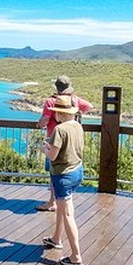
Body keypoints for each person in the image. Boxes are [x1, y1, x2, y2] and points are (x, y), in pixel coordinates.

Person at [40, 95, 86, 265]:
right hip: (77, 171)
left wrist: (44, 148)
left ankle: (76, 257)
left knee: (68, 215)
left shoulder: (60, 129)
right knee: (62, 207)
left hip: (63, 176)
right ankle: (56, 239)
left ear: (60, 112)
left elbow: (53, 155)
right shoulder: (78, 126)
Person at [35, 75, 93, 212]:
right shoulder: (75, 99)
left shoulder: (50, 101)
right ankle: (63, 201)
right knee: (70, 168)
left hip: (53, 139)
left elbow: (44, 121)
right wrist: (76, 111)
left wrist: (39, 125)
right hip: (72, 140)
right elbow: (90, 107)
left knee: (54, 171)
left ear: (57, 88)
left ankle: (53, 202)